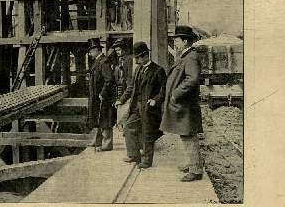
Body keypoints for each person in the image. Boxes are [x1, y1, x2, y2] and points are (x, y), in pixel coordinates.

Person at [160, 25, 204, 182]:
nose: (175, 43)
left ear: (185, 41)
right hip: (183, 104)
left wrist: (175, 93)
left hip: (185, 104)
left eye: (177, 40)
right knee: (185, 134)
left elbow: (192, 79)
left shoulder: (190, 57)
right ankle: (192, 163)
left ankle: (196, 170)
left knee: (188, 135)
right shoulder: (186, 55)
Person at [116, 41, 166, 169]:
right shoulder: (138, 69)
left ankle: (147, 161)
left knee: (147, 133)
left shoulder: (158, 70)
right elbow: (131, 87)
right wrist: (121, 99)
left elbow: (164, 90)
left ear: (145, 56)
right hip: (136, 106)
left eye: (138, 58)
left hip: (149, 108)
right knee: (128, 127)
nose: (136, 60)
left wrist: (155, 100)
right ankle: (133, 155)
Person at [87, 38, 116, 151]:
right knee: (98, 118)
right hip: (96, 96)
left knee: (105, 118)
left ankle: (107, 143)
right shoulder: (97, 61)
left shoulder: (104, 61)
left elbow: (109, 79)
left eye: (91, 51)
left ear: (97, 50)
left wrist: (103, 93)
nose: (89, 53)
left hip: (103, 97)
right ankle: (98, 140)